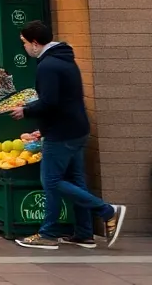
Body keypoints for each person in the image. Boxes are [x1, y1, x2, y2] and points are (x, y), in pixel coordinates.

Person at [12, 20, 125, 250]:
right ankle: (84, 233)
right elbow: (64, 99)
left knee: (51, 181)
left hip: (61, 133)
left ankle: (100, 213)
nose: (23, 47)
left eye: (24, 43)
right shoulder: (64, 58)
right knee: (75, 180)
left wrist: (26, 111)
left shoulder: (48, 66)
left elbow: (50, 102)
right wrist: (42, 128)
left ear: (35, 43)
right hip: (76, 129)